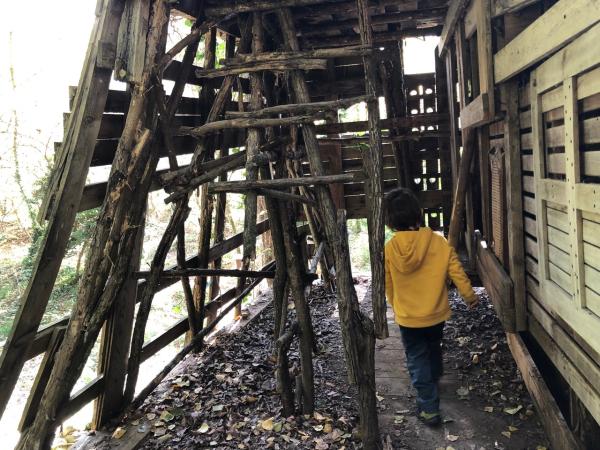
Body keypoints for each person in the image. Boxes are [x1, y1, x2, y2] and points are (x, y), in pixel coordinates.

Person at [384, 187, 478, 426]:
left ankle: (428, 408)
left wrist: (394, 304)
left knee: (416, 358)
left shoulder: (390, 249)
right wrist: (470, 296)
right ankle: (434, 376)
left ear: (390, 223)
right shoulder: (437, 242)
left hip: (408, 317)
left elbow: (388, 283)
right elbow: (456, 269)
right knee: (433, 345)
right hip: (436, 314)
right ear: (419, 215)